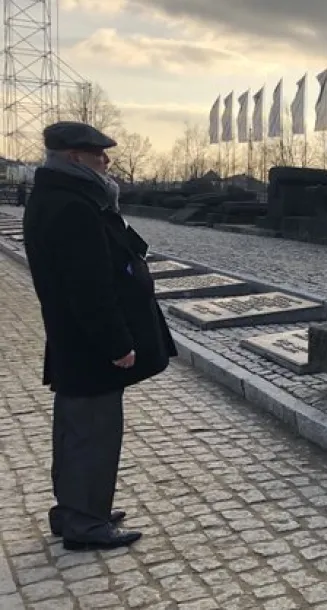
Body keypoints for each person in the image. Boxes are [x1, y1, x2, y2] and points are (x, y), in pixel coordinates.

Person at [22, 121, 177, 551]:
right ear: (75, 158)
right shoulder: (72, 206)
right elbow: (88, 286)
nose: (107, 162)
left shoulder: (67, 197)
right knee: (92, 431)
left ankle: (77, 509)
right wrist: (117, 342)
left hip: (77, 341)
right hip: (90, 344)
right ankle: (85, 524)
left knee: (78, 428)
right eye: (99, 155)